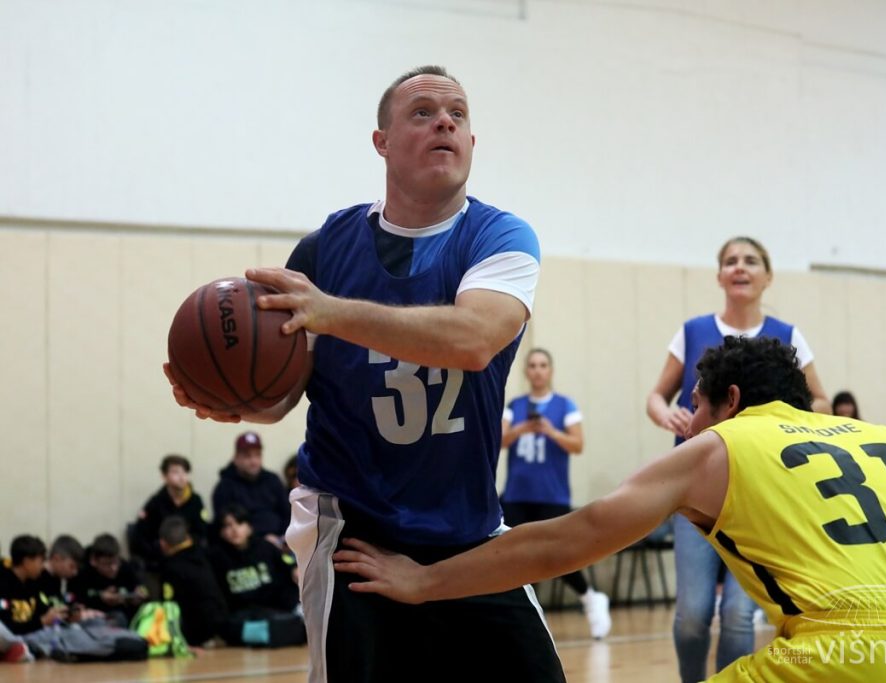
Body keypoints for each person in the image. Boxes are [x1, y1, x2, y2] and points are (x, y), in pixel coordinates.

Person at [164, 65, 563, 682]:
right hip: (351, 526)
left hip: (470, 528)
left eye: (457, 114)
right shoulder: (324, 249)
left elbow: (474, 340)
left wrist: (332, 311)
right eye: (423, 112)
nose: (445, 122)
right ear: (382, 141)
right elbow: (286, 393)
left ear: (472, 141)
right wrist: (234, 401)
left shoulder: (499, 236)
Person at [334, 336, 886, 681]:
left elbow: (563, 542)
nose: (687, 421)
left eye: (694, 404)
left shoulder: (716, 447)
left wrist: (423, 581)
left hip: (846, 653)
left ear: (729, 401)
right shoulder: (883, 441)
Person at [645, 236, 830, 682]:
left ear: (768, 277)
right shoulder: (692, 331)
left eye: (750, 261)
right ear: (719, 276)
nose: (740, 267)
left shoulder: (787, 336)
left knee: (738, 614)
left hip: (761, 492)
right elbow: (655, 397)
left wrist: (786, 420)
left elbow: (821, 401)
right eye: (730, 261)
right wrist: (665, 413)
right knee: (692, 615)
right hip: (696, 492)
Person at [500, 347, 610, 639]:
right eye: (532, 365)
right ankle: (524, 620)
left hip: (552, 494)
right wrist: (522, 429)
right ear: (526, 371)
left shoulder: (565, 406)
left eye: (543, 365)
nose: (537, 370)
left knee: (557, 556)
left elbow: (577, 445)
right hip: (516, 494)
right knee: (516, 558)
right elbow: (499, 440)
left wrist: (550, 431)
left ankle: (590, 598)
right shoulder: (515, 406)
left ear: (550, 370)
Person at [209, 505, 305, 647]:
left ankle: (285, 631)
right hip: (244, 613)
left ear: (249, 527)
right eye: (228, 526)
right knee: (229, 628)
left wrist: (293, 568)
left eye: (240, 523)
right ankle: (285, 632)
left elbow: (286, 563)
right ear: (221, 532)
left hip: (276, 606)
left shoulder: (265, 547)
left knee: (297, 612)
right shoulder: (214, 557)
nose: (235, 530)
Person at [158, 516, 228, 647]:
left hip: (195, 632)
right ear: (188, 537)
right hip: (222, 621)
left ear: (162, 543)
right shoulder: (206, 556)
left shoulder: (170, 568)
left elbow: (169, 606)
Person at [211, 432, 290, 548]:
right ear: (236, 458)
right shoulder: (225, 487)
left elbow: (287, 514)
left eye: (257, 455)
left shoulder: (272, 480)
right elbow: (224, 526)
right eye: (247, 456)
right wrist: (261, 541)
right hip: (245, 547)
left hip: (280, 542)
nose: (254, 461)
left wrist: (283, 538)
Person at [133, 454, 209, 566]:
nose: (182, 477)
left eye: (185, 472)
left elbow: (202, 531)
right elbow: (141, 535)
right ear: (164, 476)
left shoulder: (196, 501)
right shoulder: (156, 502)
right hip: (162, 559)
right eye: (176, 472)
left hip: (190, 557)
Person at [71, 534, 148, 624]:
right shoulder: (82, 573)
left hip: (124, 615)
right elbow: (77, 601)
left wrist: (138, 597)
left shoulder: (125, 567)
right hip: (95, 617)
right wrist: (100, 598)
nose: (114, 568)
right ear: (93, 561)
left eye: (116, 562)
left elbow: (139, 589)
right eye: (107, 564)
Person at [0, 536, 65, 637]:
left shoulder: (33, 582)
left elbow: (42, 609)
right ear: (27, 562)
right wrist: (42, 622)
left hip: (33, 636)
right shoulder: (4, 584)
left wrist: (59, 613)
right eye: (41, 561)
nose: (43, 566)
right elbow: (7, 628)